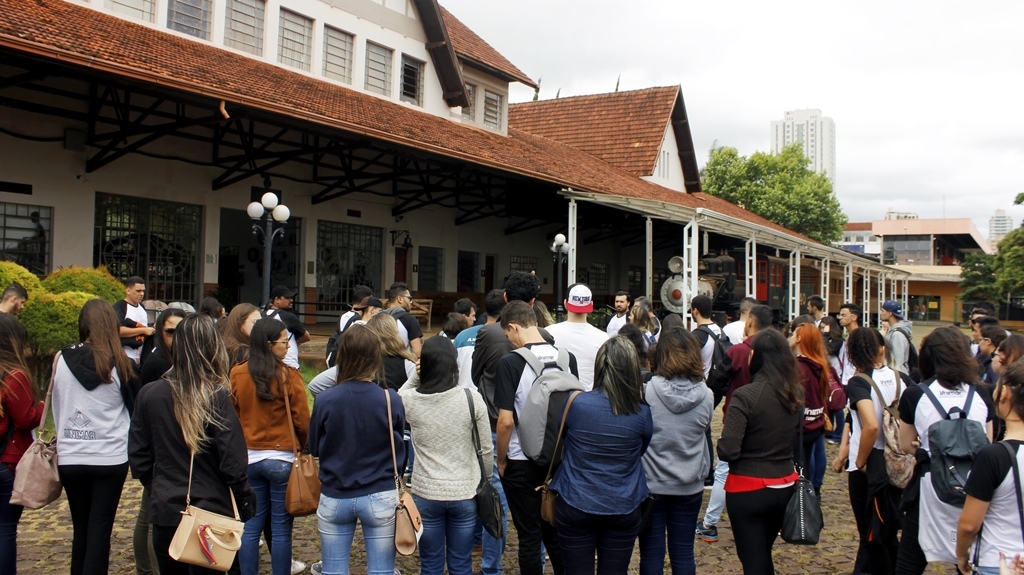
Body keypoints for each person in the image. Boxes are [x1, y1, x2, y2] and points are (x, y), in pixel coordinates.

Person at [128, 314, 257, 575]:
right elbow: (232, 459)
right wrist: (244, 496)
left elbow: (139, 456)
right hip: (210, 511)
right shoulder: (215, 395)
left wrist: (158, 487)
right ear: (212, 348)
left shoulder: (150, 394)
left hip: (167, 508)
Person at [546, 337, 652, 575]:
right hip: (623, 503)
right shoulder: (641, 412)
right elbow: (641, 449)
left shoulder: (576, 403)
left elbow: (564, 441)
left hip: (576, 499)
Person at [307, 324, 406, 575]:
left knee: (333, 569)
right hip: (380, 491)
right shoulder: (390, 399)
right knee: (382, 571)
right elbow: (400, 445)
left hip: (336, 492)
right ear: (376, 357)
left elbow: (315, 447)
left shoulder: (325, 400)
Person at [895, 326, 994, 574]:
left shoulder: (915, 394)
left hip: (930, 486)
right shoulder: (982, 392)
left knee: (909, 562)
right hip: (974, 487)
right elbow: (988, 444)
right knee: (968, 560)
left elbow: (906, 445)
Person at [53, 298, 140, 575]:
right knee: (99, 531)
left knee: (81, 530)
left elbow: (56, 402)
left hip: (71, 454)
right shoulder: (122, 364)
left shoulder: (60, 358)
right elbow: (134, 409)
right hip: (109, 456)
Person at [495, 300, 577, 575]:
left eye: (508, 336)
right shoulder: (567, 358)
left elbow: (506, 422)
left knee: (529, 536)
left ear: (513, 327)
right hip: (559, 459)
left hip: (521, 459)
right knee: (556, 531)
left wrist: (501, 459)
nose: (510, 342)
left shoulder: (510, 363)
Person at [398, 337, 491, 575]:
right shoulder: (471, 398)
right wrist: (485, 479)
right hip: (465, 491)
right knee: (461, 564)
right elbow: (486, 448)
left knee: (430, 564)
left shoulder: (410, 401)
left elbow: (399, 396)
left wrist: (417, 375)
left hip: (426, 493)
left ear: (424, 365)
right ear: (454, 365)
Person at [718, 329, 802, 575]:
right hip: (784, 483)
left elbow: (729, 449)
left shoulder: (744, 396)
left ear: (754, 356)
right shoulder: (795, 393)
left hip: (748, 487)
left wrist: (720, 446)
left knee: (752, 558)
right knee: (762, 553)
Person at [230, 318, 310, 575]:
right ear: (268, 344)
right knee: (281, 529)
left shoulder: (237, 373)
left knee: (250, 527)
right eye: (284, 341)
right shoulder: (289, 376)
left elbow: (232, 414)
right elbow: (302, 420)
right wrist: (304, 447)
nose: (288, 346)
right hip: (283, 458)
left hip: (249, 458)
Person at [638, 327, 712, 575]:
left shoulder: (647, 391)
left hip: (652, 484)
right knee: (683, 553)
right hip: (689, 482)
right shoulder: (707, 396)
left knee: (651, 553)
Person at [697, 303, 773, 544]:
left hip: (738, 418)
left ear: (750, 321)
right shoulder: (778, 353)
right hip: (770, 420)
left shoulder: (739, 351)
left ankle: (709, 523)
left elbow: (717, 383)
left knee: (724, 472)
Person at [832, 327, 901, 574]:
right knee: (889, 527)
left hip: (870, 462)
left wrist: (859, 460)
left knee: (869, 531)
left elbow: (870, 424)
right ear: (881, 349)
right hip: (897, 461)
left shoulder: (858, 383)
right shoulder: (901, 378)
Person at [956, 361, 1024, 575]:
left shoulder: (994, 456)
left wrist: (961, 555)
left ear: (1004, 393)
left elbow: (969, 525)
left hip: (998, 561)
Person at [0, 313, 43, 574]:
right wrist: (42, 404)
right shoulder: (14, 376)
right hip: (7, 461)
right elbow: (26, 419)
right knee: (5, 529)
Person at [789, 322, 835, 496]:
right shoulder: (819, 364)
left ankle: (801, 504)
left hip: (800, 426)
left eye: (793, 334)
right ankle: (809, 496)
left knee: (797, 470)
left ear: (799, 338)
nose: (791, 337)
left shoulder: (798, 367)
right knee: (806, 464)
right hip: (815, 424)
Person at [544, 283, 608, 390]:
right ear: (591, 304)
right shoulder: (603, 338)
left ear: (565, 303)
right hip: (589, 399)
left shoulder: (549, 333)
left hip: (556, 398)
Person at [265, 286, 310, 369]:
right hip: (289, 364)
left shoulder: (263, 315)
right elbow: (306, 337)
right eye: (287, 298)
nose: (291, 300)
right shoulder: (288, 317)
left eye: (291, 297)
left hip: (268, 363)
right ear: (277, 300)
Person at [140, 308, 188, 385]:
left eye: (181, 330)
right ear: (160, 332)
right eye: (171, 331)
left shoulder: (184, 355)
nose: (176, 336)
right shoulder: (158, 361)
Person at [115, 276, 155, 364]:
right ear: (128, 291)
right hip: (125, 356)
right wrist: (144, 330)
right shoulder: (120, 307)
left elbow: (145, 327)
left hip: (142, 356)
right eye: (138, 291)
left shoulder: (142, 307)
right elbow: (118, 330)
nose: (141, 294)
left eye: (143, 291)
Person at [385, 282, 423, 358]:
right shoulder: (410, 320)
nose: (411, 301)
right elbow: (417, 353)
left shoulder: (377, 318)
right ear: (400, 299)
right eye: (409, 298)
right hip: (402, 367)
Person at [689, 295, 722, 381]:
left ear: (696, 311)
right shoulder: (720, 330)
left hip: (702, 383)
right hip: (717, 382)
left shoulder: (697, 335)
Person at [880, 300, 913, 378]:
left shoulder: (897, 334)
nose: (881, 313)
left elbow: (898, 361)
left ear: (889, 313)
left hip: (898, 377)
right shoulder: (892, 331)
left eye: (882, 310)